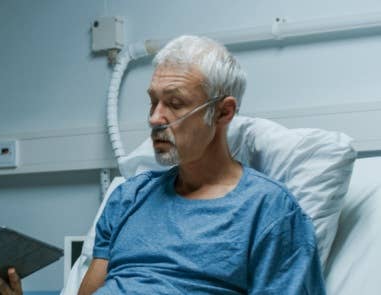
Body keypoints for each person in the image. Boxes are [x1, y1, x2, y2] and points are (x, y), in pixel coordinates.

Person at [77, 35, 326, 294]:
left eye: (175, 104)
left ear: (223, 112)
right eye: (153, 101)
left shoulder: (269, 210)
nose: (154, 118)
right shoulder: (128, 198)